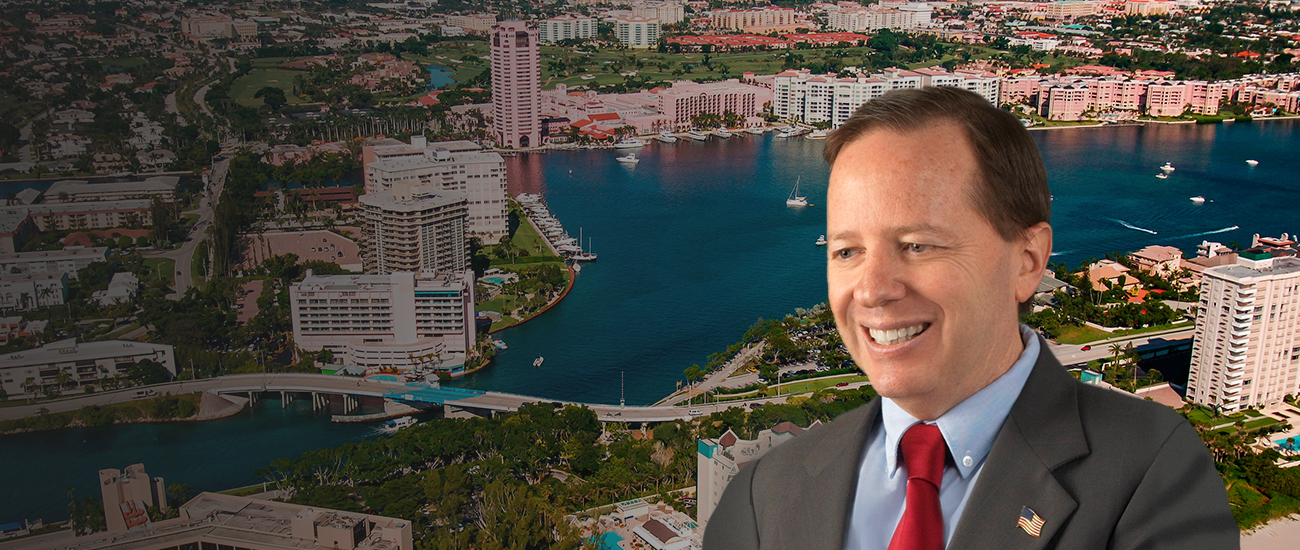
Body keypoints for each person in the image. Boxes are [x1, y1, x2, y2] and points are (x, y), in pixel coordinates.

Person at [702, 87, 1237, 550]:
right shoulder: (763, 494)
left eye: (918, 244)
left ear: (1027, 261)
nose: (872, 289)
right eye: (847, 252)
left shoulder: (1151, 473)